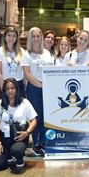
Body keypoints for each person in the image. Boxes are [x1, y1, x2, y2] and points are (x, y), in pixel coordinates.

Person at [0, 78, 37, 174]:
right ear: (4, 90)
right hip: (4, 140)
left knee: (17, 150)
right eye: (7, 89)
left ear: (17, 89)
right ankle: (9, 156)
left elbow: (34, 120)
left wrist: (27, 132)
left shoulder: (24, 103)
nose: (10, 91)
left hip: (19, 138)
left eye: (12, 88)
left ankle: (19, 159)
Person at [22, 27, 54, 156]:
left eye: (38, 36)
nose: (36, 38)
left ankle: (43, 143)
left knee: (46, 116)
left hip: (47, 88)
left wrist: (47, 85)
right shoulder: (26, 54)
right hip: (34, 88)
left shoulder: (46, 53)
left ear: (41, 37)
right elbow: (27, 74)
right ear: (30, 38)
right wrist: (40, 85)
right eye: (33, 36)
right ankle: (35, 144)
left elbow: (51, 70)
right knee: (36, 116)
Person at [0, 27, 25, 94]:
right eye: (9, 35)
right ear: (5, 37)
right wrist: (3, 89)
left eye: (14, 36)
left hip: (19, 84)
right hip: (5, 84)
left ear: (16, 38)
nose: (11, 38)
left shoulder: (22, 51)